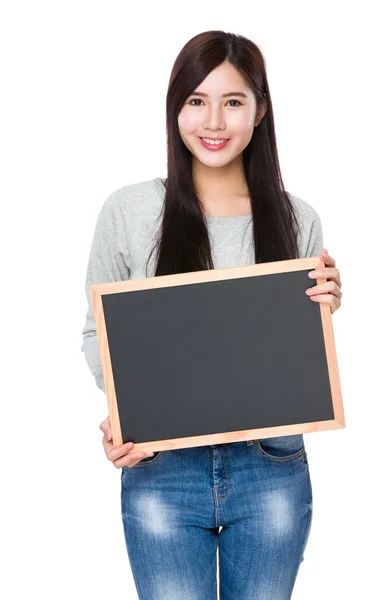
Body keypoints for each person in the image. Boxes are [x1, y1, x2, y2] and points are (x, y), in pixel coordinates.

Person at [81, 30, 342, 600]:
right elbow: (97, 332)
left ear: (260, 110)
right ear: (176, 110)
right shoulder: (130, 211)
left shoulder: (299, 220)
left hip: (270, 464)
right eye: (196, 101)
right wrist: (128, 415)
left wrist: (325, 309)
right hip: (162, 469)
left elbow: (284, 358)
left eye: (233, 101)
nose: (214, 122)